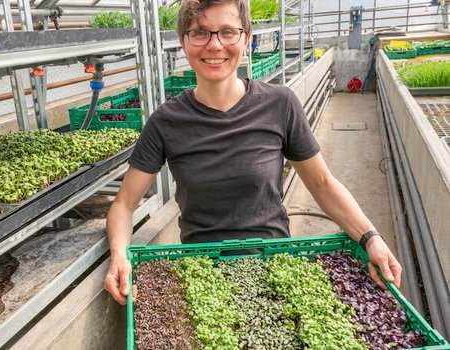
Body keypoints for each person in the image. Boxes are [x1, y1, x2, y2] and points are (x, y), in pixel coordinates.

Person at [104, 0, 402, 305]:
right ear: (183, 42)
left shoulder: (280, 104)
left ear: (246, 38)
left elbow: (322, 184)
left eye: (228, 32)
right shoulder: (166, 122)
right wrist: (119, 256)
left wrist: (370, 237)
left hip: (275, 266)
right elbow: (124, 204)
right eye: (200, 33)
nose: (214, 45)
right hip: (204, 275)